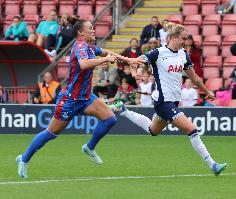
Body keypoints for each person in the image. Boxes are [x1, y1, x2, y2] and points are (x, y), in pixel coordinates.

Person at [16, 18, 144, 178]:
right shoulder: (80, 46)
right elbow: (83, 64)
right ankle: (24, 159)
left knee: (110, 119)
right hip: (70, 100)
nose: (93, 30)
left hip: (85, 97)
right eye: (90, 28)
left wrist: (128, 59)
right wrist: (104, 60)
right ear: (80, 33)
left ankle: (89, 148)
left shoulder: (90, 47)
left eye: (93, 28)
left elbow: (107, 53)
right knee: (50, 133)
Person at [118, 22, 227, 176]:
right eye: (184, 38)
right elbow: (137, 61)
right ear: (174, 37)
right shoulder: (158, 53)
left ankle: (124, 111)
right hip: (163, 102)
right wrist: (136, 71)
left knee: (153, 130)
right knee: (192, 129)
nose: (186, 41)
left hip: (173, 102)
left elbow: (194, 77)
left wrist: (206, 91)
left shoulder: (183, 54)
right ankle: (213, 165)